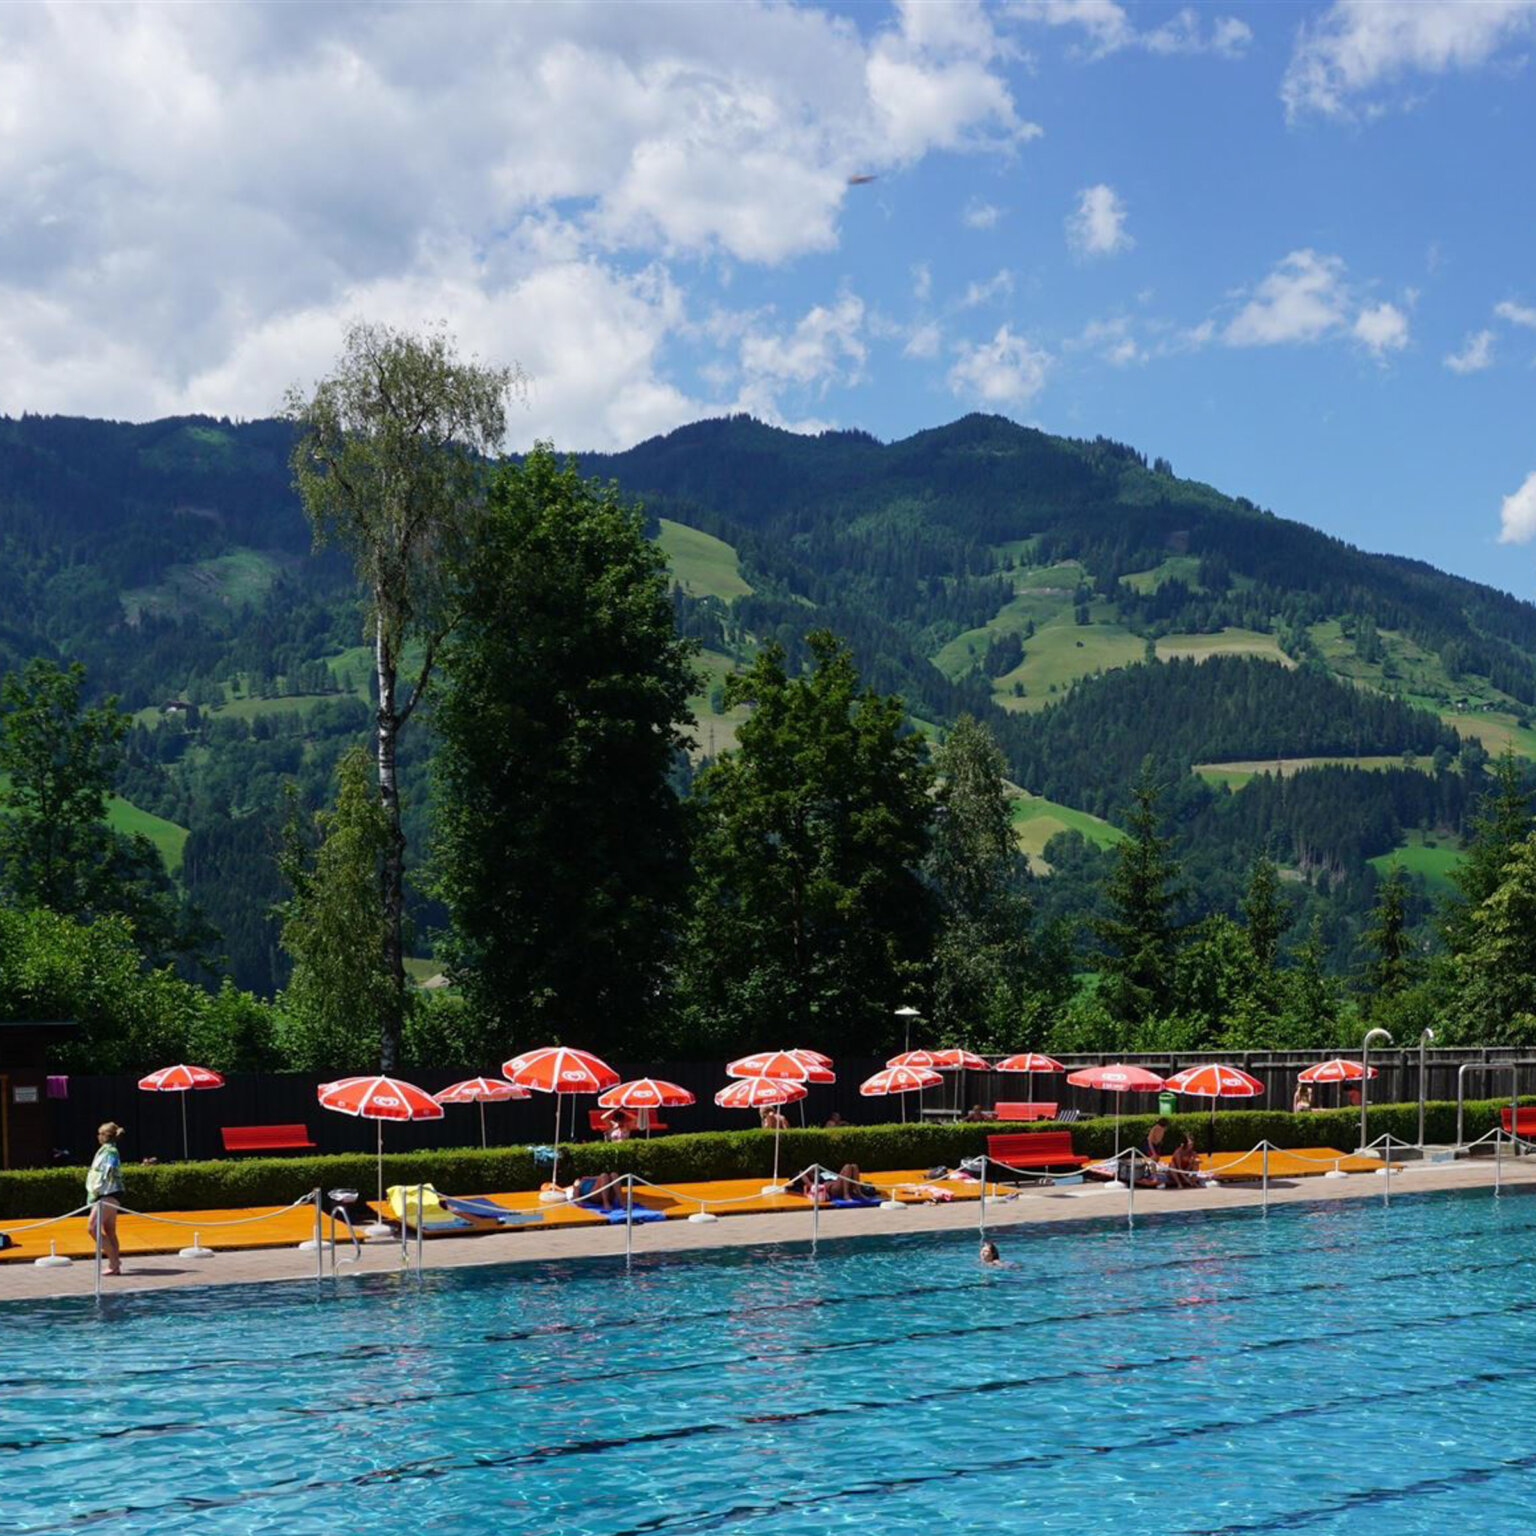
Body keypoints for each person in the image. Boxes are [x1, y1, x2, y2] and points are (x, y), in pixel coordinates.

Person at [85, 1121, 125, 1275]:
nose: (97, 1136)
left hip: (107, 1193)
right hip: (109, 1193)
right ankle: (115, 1262)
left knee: (92, 1227)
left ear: (105, 1136)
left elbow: (108, 1170)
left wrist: (98, 1188)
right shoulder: (106, 1150)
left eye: (100, 1133)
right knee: (109, 1230)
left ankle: (114, 1263)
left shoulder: (110, 1152)